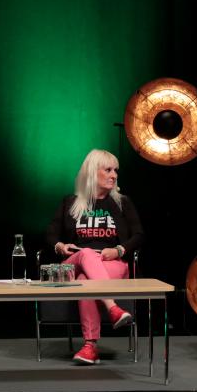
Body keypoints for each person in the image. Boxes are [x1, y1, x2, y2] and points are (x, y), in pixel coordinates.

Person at [46, 149, 145, 365]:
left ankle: (90, 347)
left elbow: (138, 235)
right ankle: (113, 308)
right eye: (108, 170)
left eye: (116, 170)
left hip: (111, 263)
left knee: (85, 282)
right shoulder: (70, 202)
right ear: (93, 172)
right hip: (75, 262)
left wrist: (119, 250)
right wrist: (61, 246)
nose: (114, 175)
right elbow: (51, 234)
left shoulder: (122, 203)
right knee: (87, 253)